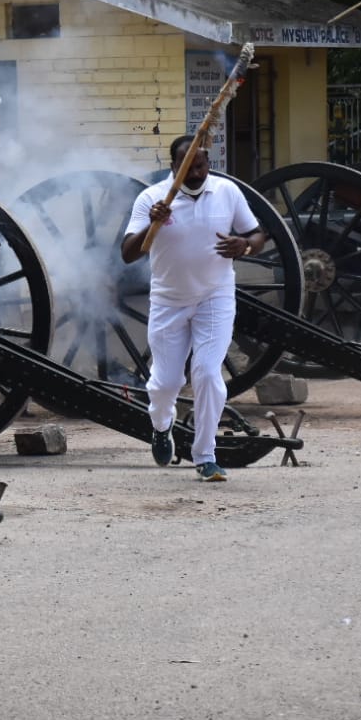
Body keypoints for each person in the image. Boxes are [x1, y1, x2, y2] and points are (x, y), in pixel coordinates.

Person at [120, 134, 268, 483]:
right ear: (173, 166)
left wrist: (245, 246)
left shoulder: (227, 192)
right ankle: (161, 426)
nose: (196, 173)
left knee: (207, 373)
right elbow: (128, 253)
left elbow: (259, 235)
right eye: (188, 167)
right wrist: (154, 225)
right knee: (165, 383)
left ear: (208, 164)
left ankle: (205, 455)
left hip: (215, 297)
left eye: (201, 165)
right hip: (168, 300)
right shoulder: (153, 198)